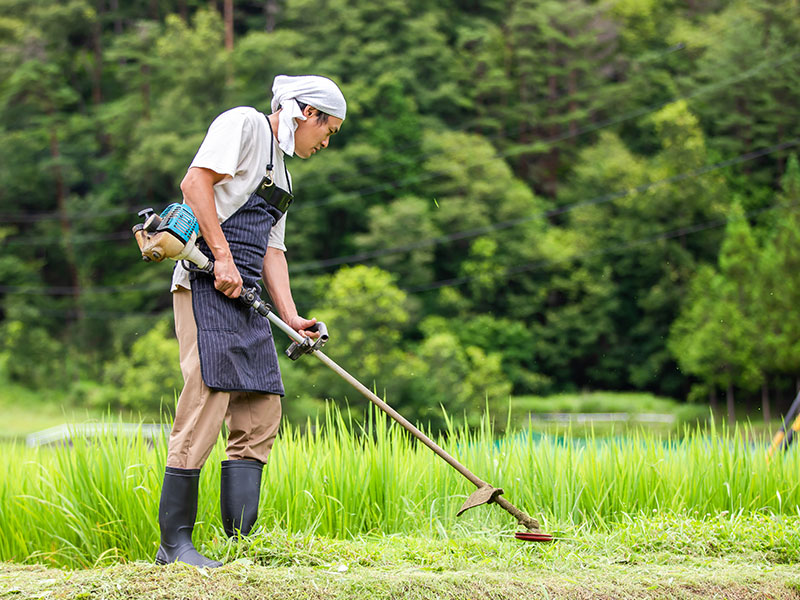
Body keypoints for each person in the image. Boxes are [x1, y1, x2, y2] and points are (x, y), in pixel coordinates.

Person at [154, 75, 346, 568]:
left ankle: (241, 547)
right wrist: (220, 257)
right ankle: (174, 547)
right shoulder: (243, 124)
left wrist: (291, 315)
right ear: (307, 113)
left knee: (261, 407)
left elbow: (272, 251)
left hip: (248, 295)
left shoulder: (282, 172)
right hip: (204, 282)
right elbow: (194, 183)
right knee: (207, 402)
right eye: (329, 130)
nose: (328, 142)